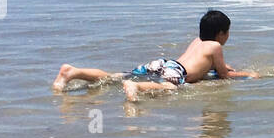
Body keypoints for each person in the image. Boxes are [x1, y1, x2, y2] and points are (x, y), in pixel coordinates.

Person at [52, 9, 259, 102]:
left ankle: (72, 71)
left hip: (164, 63)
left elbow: (205, 65)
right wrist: (247, 74)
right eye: (228, 32)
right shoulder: (216, 46)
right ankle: (138, 87)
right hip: (176, 71)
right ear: (221, 33)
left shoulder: (198, 41)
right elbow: (224, 75)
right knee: (168, 87)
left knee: (114, 76)